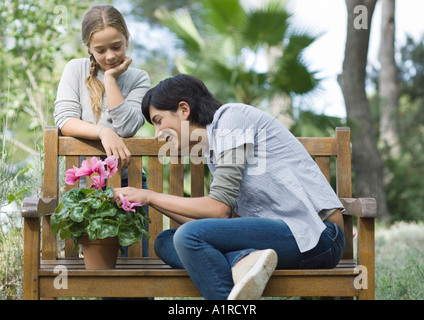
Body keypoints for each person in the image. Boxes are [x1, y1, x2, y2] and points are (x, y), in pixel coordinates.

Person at [113, 74, 345, 300]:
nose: (157, 135)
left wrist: (150, 196)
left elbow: (219, 210)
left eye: (158, 121)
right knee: (166, 241)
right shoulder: (214, 146)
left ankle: (239, 269)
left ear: (184, 110)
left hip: (317, 236)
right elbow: (214, 222)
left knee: (187, 237)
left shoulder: (231, 119)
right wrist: (149, 199)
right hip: (278, 238)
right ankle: (243, 260)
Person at [54, 5, 150, 256]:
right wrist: (103, 132)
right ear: (88, 48)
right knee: (102, 270)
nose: (110, 56)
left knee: (136, 272)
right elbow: (64, 120)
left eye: (116, 46)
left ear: (127, 39)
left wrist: (109, 79)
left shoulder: (139, 79)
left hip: (130, 184)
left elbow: (129, 125)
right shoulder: (75, 70)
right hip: (86, 189)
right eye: (100, 50)